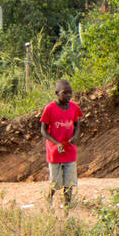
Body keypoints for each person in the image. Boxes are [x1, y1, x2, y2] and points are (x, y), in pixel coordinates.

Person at [39, 80, 83, 208]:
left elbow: (77, 126)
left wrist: (75, 136)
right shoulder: (50, 108)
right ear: (57, 93)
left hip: (69, 151)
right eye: (65, 93)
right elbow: (43, 130)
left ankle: (67, 209)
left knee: (69, 183)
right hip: (55, 152)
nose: (69, 96)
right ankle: (49, 201)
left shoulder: (74, 107)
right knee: (55, 183)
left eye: (70, 93)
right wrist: (56, 143)